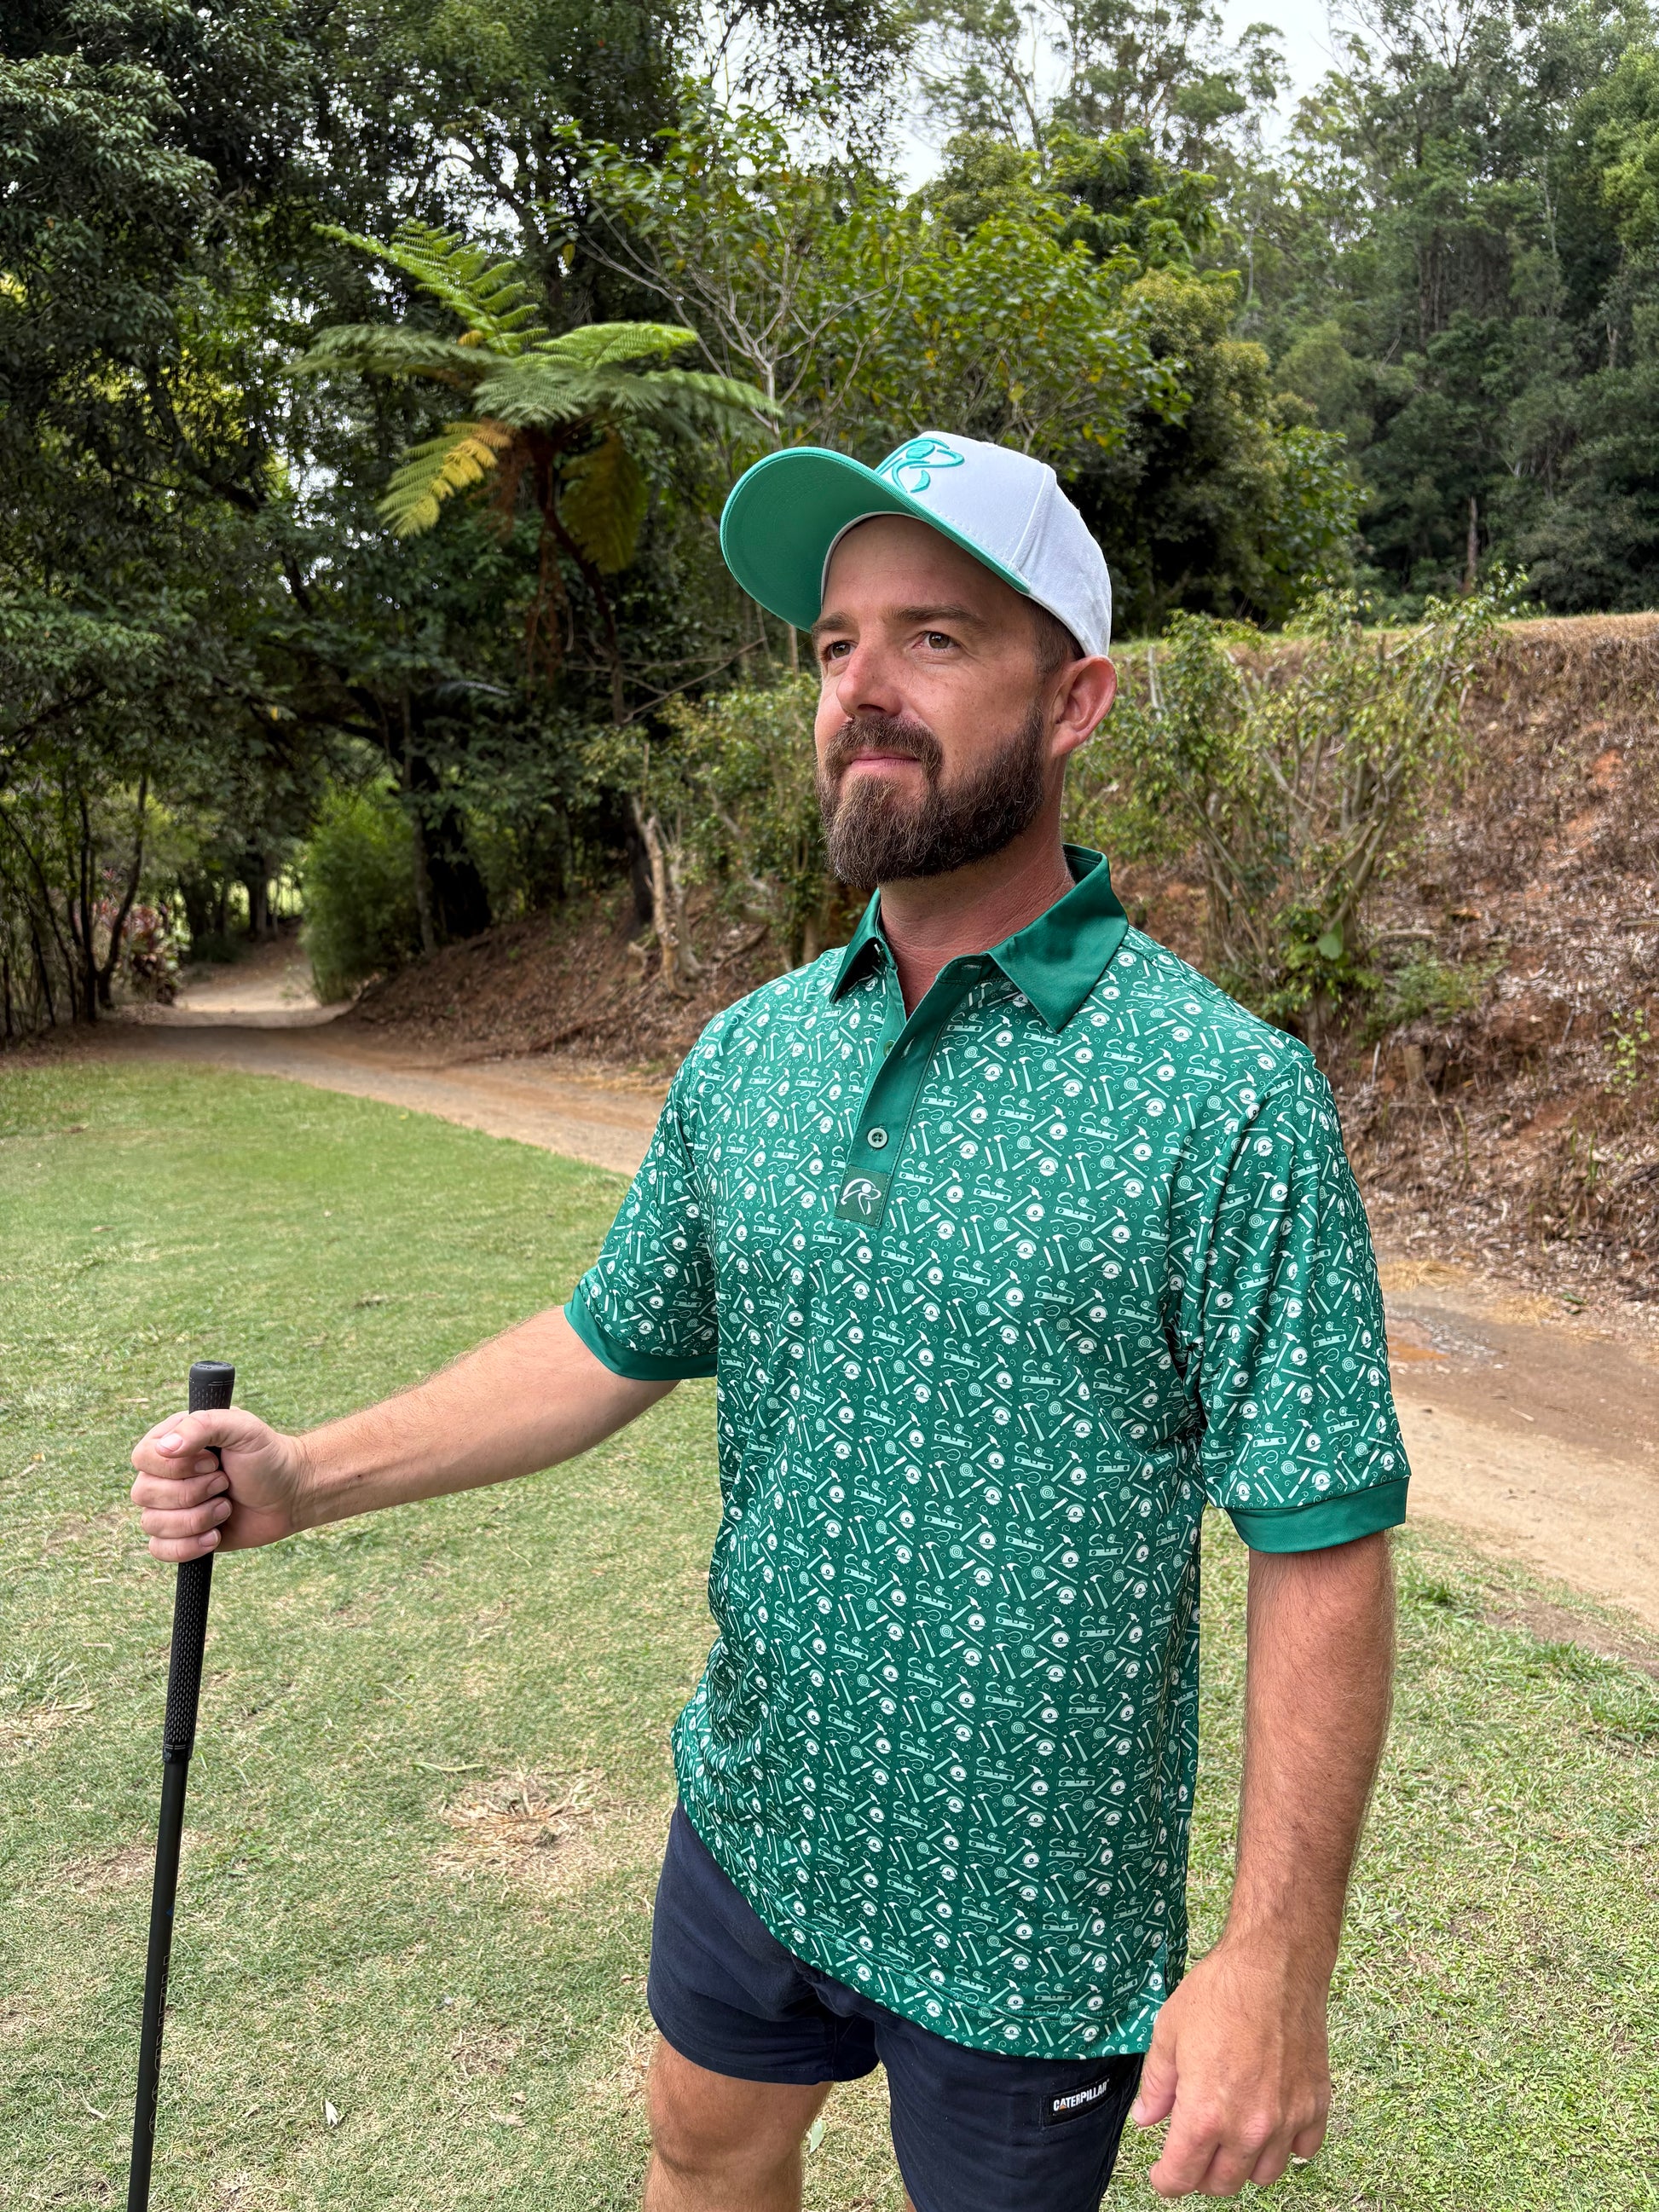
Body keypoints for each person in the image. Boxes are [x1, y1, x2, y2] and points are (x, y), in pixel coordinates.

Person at [130, 431, 1407, 2211]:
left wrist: (1274, 1958)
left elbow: (1320, 1536)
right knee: (698, 2159)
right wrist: (305, 1476)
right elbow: (608, 1338)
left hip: (1027, 1906)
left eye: (935, 637)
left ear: (1074, 701)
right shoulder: (752, 1052)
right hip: (754, 1812)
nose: (862, 688)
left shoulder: (1224, 1097)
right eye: (833, 644)